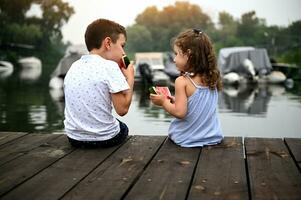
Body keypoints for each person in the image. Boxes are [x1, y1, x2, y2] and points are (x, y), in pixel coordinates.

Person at [63, 18, 135, 148]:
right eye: (122, 46)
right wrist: (130, 77)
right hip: (104, 139)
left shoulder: (74, 66)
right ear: (108, 43)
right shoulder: (110, 67)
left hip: (74, 138)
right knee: (123, 127)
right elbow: (122, 109)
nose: (124, 53)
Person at [150, 28, 223, 147]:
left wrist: (163, 102)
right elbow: (197, 104)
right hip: (212, 137)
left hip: (187, 139)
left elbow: (180, 112)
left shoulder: (182, 81)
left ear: (188, 54)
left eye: (177, 54)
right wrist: (174, 100)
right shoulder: (212, 78)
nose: (174, 59)